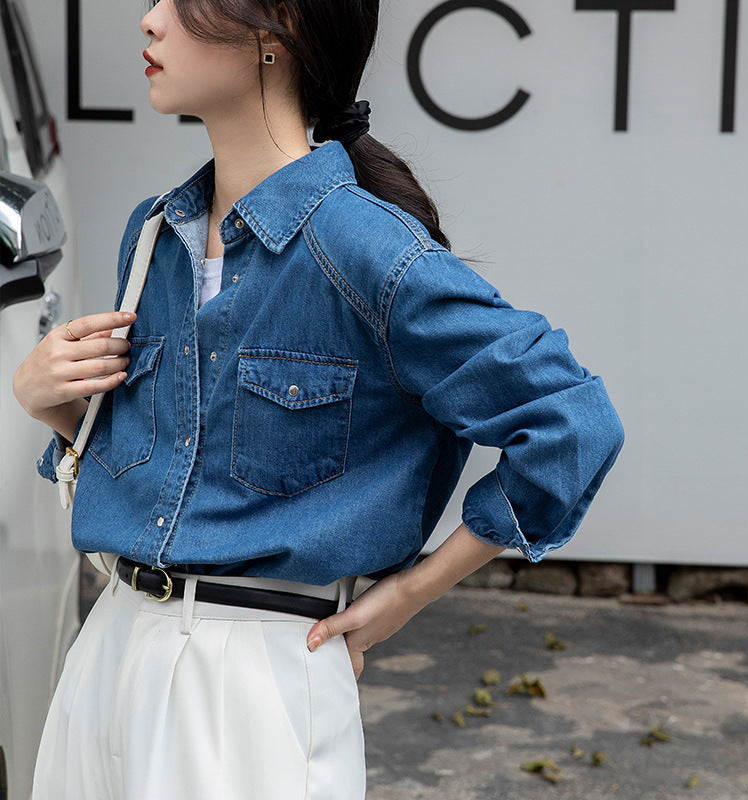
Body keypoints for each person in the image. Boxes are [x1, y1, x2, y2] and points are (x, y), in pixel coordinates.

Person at [12, 0, 625, 797]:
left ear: (277, 30)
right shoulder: (156, 234)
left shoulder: (364, 248)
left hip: (251, 687)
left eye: (183, 2)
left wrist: (411, 592)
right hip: (108, 653)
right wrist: (53, 407)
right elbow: (169, 470)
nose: (151, 20)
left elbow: (572, 420)